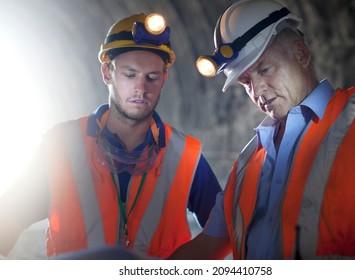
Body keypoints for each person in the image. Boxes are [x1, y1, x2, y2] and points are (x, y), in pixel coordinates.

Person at [169, 0, 355, 260]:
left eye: (264, 69)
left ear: (301, 54)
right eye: (246, 81)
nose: (257, 90)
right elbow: (207, 247)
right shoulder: (247, 161)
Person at [0, 12, 221, 259]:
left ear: (164, 79)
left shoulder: (185, 156)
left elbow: (225, 232)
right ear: (107, 73)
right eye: (130, 74)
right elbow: (7, 219)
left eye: (152, 77)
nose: (141, 88)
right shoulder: (61, 145)